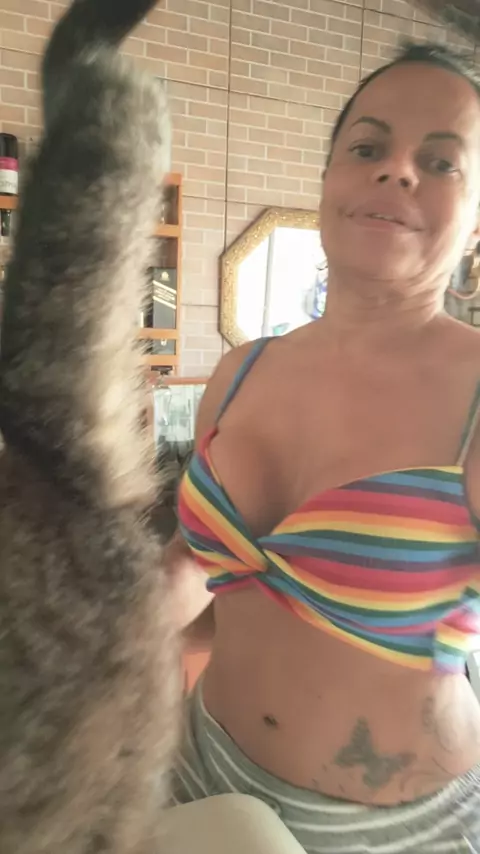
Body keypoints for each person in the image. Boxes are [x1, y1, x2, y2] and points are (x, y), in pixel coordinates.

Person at [171, 42, 480, 853]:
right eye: (367, 147)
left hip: (396, 828)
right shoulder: (242, 370)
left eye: (440, 162)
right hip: (194, 767)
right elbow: (192, 567)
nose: (395, 171)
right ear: (328, 180)